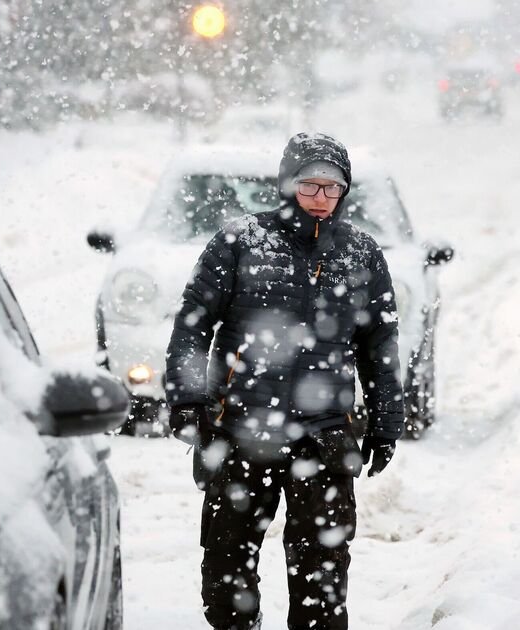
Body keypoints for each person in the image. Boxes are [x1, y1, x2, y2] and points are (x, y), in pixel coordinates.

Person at [165, 132, 404, 630]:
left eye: (332, 188)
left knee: (323, 579)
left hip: (324, 438)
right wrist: (187, 399)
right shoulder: (239, 242)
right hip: (240, 434)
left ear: (345, 192)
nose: (320, 198)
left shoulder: (361, 255)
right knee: (227, 569)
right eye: (309, 185)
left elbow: (379, 346)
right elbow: (192, 325)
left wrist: (385, 422)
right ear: (287, 184)